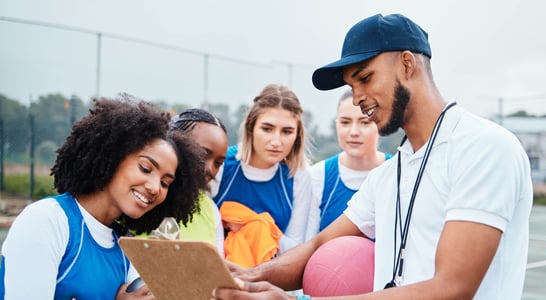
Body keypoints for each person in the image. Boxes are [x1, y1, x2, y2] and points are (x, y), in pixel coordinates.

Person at [211, 13, 533, 299]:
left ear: (407, 64)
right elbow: (317, 247)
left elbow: (451, 288)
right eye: (351, 86)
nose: (358, 98)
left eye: (364, 78)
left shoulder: (484, 148)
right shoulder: (388, 174)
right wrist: (245, 277)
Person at [0, 94, 208, 299]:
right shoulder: (47, 220)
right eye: (145, 168)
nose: (155, 188)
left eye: (165, 183)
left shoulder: (126, 248)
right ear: (113, 156)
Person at [213, 83, 312, 258]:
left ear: (297, 135)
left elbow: (295, 250)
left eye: (287, 132)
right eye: (267, 129)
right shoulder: (221, 164)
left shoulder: (298, 175)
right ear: (251, 128)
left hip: (269, 280)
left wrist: (257, 223)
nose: (276, 141)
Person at [305, 89, 391, 240]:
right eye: (345, 122)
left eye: (365, 122)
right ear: (336, 125)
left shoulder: (399, 172)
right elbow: (307, 245)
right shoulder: (317, 176)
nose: (354, 132)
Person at [169, 108, 228, 254]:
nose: (210, 169)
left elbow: (216, 271)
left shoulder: (210, 211)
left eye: (218, 163)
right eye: (202, 154)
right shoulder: (145, 195)